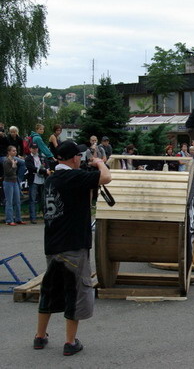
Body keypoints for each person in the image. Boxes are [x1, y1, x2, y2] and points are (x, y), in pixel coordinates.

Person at [34, 140, 111, 356]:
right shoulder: (73, 177)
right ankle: (70, 342)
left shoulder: (51, 179)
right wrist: (99, 163)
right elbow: (106, 178)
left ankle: (40, 336)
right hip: (74, 245)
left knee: (49, 291)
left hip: (53, 244)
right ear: (74, 158)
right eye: (79, 156)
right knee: (76, 291)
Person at [25, 143, 50, 223]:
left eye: (36, 148)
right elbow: (31, 168)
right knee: (32, 199)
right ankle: (33, 217)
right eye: (33, 148)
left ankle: (45, 216)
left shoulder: (42, 157)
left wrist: (46, 170)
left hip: (42, 181)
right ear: (30, 149)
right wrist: (43, 170)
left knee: (43, 199)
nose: (35, 149)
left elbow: (47, 166)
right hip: (33, 181)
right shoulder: (28, 158)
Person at [3, 146, 25, 225]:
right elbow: (7, 173)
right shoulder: (6, 161)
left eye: (15, 151)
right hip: (8, 182)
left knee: (17, 201)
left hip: (15, 181)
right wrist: (13, 166)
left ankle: (18, 218)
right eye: (13, 151)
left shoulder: (14, 160)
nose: (15, 152)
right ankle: (9, 220)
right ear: (8, 152)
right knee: (9, 201)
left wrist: (14, 166)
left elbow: (15, 171)